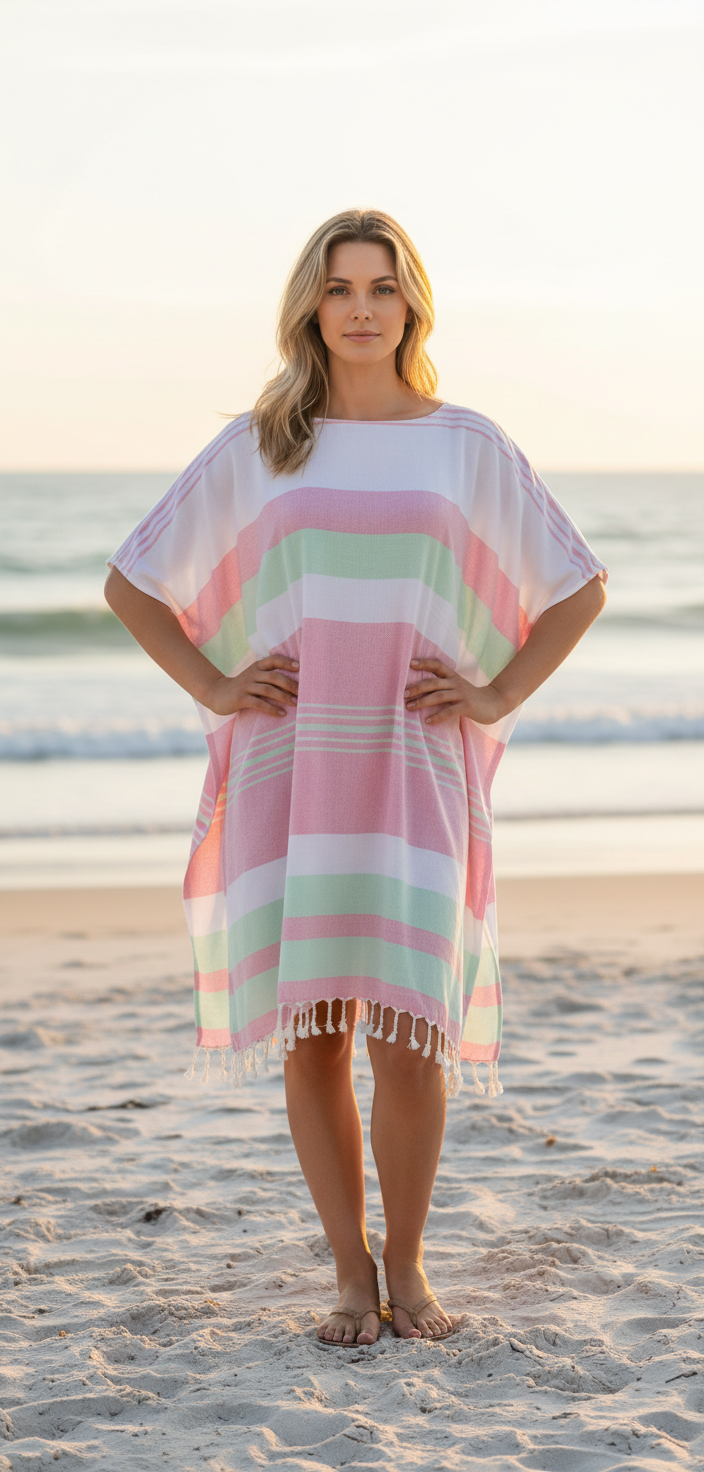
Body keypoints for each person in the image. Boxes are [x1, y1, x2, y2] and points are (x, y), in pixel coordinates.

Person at [105, 208, 607, 1348]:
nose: (362, 307)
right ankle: (347, 1270)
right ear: (311, 307)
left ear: (410, 304)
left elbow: (575, 584)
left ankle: (411, 1265)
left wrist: (490, 694)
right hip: (295, 763)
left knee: (407, 1026)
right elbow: (134, 581)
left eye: (382, 287)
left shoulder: (463, 444)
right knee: (318, 1030)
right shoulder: (263, 443)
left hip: (415, 763)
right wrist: (220, 680)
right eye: (340, 288)